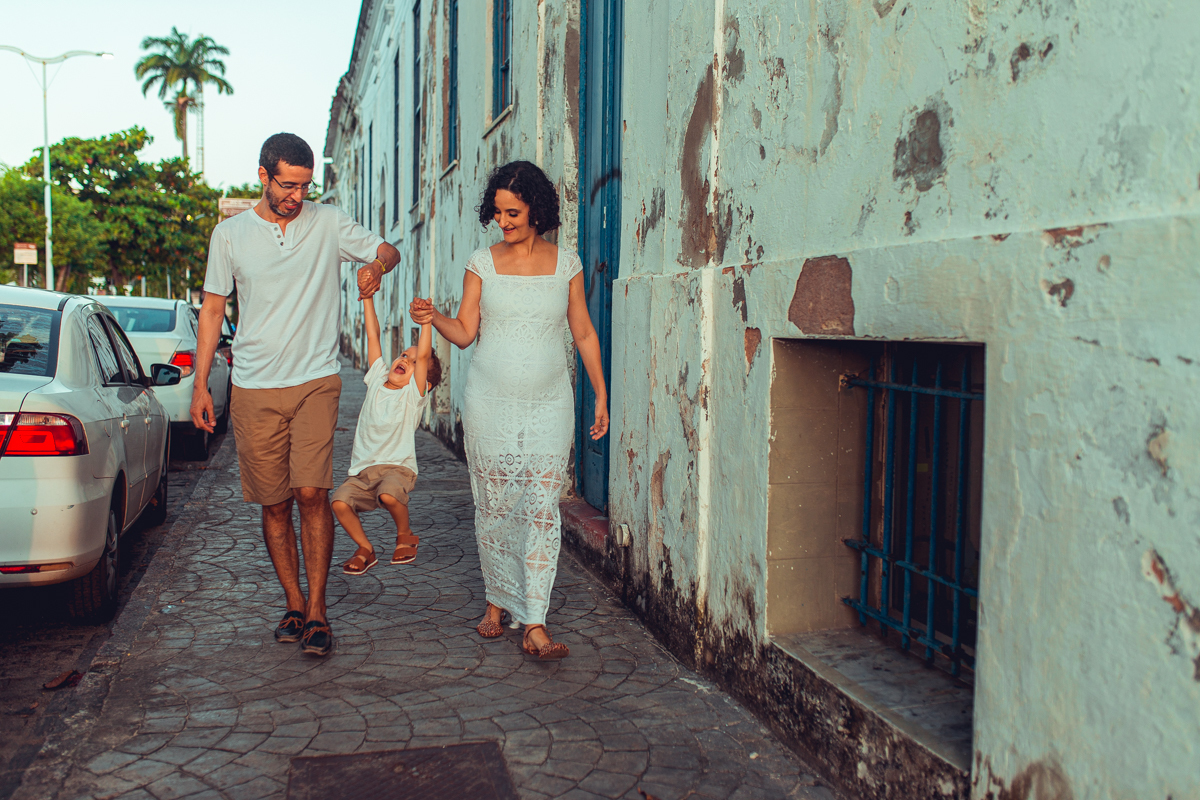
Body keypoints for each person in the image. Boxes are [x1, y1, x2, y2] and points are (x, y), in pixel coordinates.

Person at [191, 133, 399, 657]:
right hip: (253, 386)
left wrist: (376, 267)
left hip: (315, 380)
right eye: (288, 185)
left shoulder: (328, 222)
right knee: (275, 501)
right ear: (263, 176)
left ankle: (319, 610)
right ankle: (293, 601)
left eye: (306, 186)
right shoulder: (229, 235)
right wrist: (200, 385)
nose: (297, 196)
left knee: (311, 493)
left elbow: (387, 249)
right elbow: (213, 310)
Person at [408, 160, 608, 661]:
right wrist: (434, 317)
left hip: (549, 404)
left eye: (512, 212)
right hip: (489, 403)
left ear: (535, 210)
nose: (503, 222)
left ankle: (534, 621)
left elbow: (583, 332)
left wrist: (601, 394)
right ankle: (497, 599)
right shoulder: (482, 262)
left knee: (541, 507)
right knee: (495, 504)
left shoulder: (567, 264)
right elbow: (465, 333)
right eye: (497, 213)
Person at [332, 295, 441, 575]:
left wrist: (426, 322)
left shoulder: (412, 395)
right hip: (363, 472)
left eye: (413, 361)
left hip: (397, 469)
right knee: (339, 501)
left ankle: (405, 535)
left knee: (390, 495)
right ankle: (365, 548)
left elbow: (424, 355)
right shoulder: (376, 379)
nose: (404, 359)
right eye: (403, 354)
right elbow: (373, 335)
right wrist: (367, 298)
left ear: (424, 383)